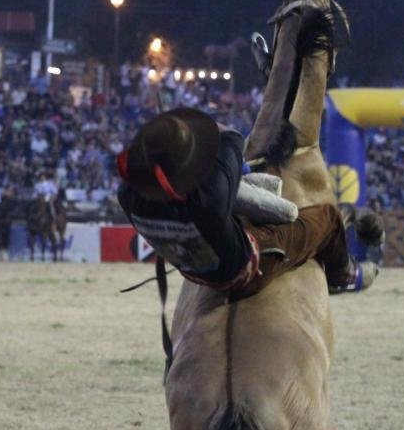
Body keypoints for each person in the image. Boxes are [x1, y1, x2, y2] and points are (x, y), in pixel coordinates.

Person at [116, 108, 376, 297]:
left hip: (192, 268)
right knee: (328, 218)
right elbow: (232, 138)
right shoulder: (211, 199)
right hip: (245, 266)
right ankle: (344, 275)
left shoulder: (127, 197)